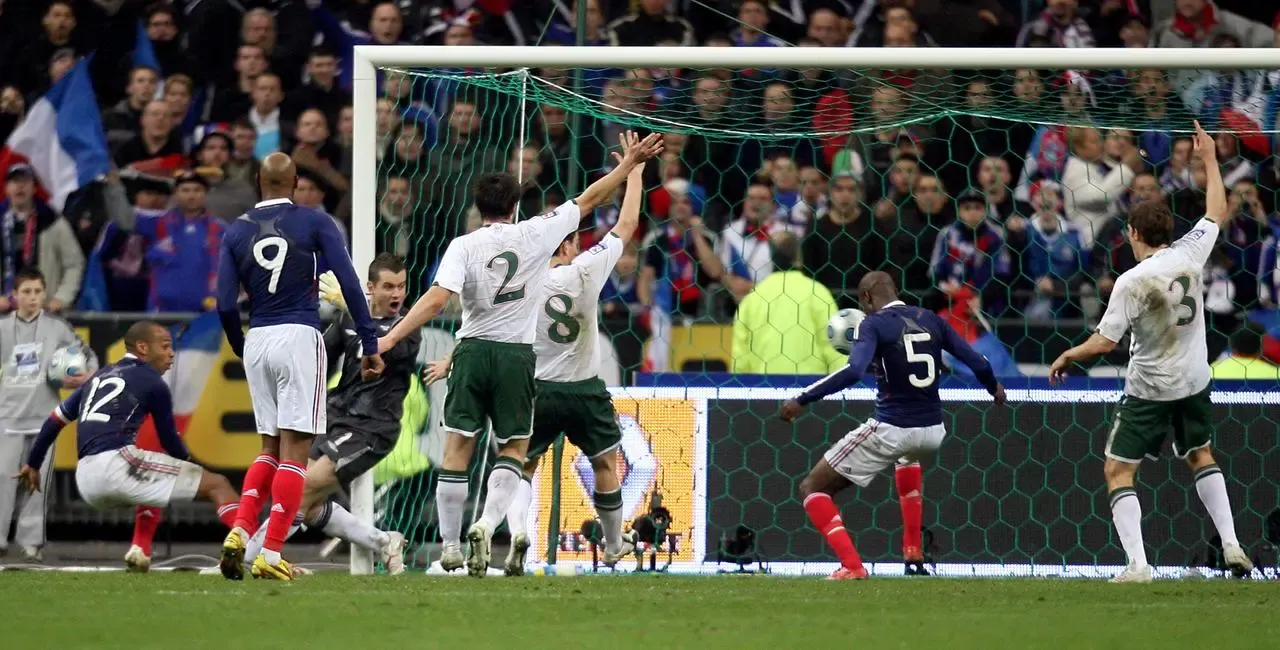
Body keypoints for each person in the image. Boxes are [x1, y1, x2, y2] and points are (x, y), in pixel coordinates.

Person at [378, 131, 663, 578]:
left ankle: (452, 547)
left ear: (477, 207)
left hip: (477, 353)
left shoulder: (463, 246)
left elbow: (436, 300)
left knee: (459, 450)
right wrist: (629, 168)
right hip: (527, 364)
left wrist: (393, 338)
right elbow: (592, 203)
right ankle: (502, 526)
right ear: (514, 207)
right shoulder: (541, 238)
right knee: (521, 453)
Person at [1049, 121, 1251, 583]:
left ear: (1135, 233)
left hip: (1150, 387)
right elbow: (1217, 210)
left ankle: (1138, 565)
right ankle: (1233, 544)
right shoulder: (1190, 253)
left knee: (1118, 470)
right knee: (1201, 455)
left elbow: (1105, 342)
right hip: (1195, 380)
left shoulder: (1131, 281)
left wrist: (1069, 355)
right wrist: (1210, 160)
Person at [215, 152, 379, 581]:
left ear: (257, 181)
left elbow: (224, 303)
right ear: (294, 183)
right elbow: (347, 280)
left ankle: (240, 529)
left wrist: (239, 344)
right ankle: (270, 552)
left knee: (268, 448)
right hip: (298, 335)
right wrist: (369, 337)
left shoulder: (236, 230)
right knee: (296, 452)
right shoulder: (315, 222)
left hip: (258, 339)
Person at [780, 271, 1006, 580]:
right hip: (933, 431)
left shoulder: (872, 324)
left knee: (813, 487)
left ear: (867, 299)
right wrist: (994, 388)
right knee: (907, 459)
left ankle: (852, 566)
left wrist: (803, 399)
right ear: (895, 291)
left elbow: (852, 371)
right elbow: (978, 361)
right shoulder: (931, 319)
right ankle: (913, 554)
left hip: (892, 428)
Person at [239, 253, 417, 576]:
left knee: (302, 489)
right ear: (370, 287)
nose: (397, 294)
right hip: (333, 415)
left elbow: (380, 352)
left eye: (402, 287)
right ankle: (383, 542)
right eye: (389, 286)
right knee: (301, 499)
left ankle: (251, 557)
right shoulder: (349, 320)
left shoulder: (407, 327)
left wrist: (352, 309)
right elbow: (320, 353)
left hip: (372, 427)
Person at [15, 321, 242, 573]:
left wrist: (32, 464)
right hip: (116, 465)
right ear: (143, 348)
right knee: (217, 484)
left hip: (87, 480)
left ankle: (140, 549)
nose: (171, 353)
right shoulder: (153, 382)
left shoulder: (98, 377)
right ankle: (256, 548)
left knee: (156, 478)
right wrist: (192, 464)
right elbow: (170, 442)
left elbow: (52, 423)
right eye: (165, 346)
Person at [0, 268, 93, 562]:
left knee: (37, 483)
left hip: (45, 420)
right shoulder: (2, 329)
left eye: (37, 292)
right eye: (26, 292)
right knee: (2, 480)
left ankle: (31, 543)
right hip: (7, 417)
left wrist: (84, 374)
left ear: (44, 294)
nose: (32, 298)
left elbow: (87, 355)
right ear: (14, 296)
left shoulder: (58, 329)